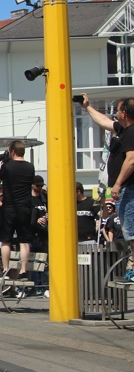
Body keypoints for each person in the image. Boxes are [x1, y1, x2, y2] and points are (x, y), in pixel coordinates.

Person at [80, 94, 134, 277]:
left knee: (131, 229)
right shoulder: (125, 130)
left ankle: (133, 265)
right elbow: (104, 122)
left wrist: (117, 184)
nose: (115, 114)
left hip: (129, 188)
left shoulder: (132, 132)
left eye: (118, 110)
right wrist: (87, 107)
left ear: (124, 113)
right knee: (129, 228)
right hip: (126, 188)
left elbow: (131, 160)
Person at [0, 140, 36, 278]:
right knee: (24, 241)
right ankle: (24, 270)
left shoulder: (7, 167)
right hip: (25, 207)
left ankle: (5, 268)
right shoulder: (30, 167)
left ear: (12, 152)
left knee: (6, 240)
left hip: (10, 207)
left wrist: (2, 166)